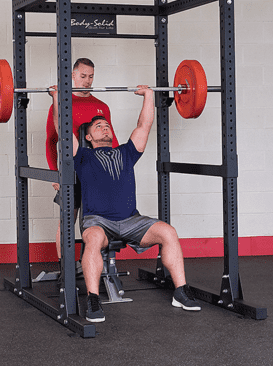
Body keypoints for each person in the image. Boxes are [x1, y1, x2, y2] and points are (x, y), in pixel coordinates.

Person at [49, 84, 201, 323]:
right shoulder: (83, 157)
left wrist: (149, 95)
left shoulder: (126, 152)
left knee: (168, 232)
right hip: (98, 221)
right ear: (88, 137)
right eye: (98, 126)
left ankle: (181, 291)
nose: (104, 127)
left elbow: (144, 125)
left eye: (106, 124)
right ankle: (92, 298)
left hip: (131, 220)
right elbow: (63, 129)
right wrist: (57, 98)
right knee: (94, 240)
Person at [46, 58, 119, 261]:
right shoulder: (61, 104)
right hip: (72, 172)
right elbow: (51, 141)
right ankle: (65, 269)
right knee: (68, 220)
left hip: (98, 173)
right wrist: (54, 173)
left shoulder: (101, 105)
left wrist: (118, 168)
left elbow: (111, 139)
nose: (87, 81)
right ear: (72, 76)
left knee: (99, 222)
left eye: (91, 76)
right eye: (83, 76)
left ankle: (96, 266)